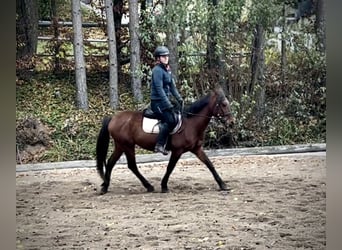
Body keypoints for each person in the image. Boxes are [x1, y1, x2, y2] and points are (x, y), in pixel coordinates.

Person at [150, 45, 183, 155]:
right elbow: (159, 89)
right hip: (157, 102)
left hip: (164, 101)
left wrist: (179, 98)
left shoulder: (167, 70)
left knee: (179, 114)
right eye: (163, 56)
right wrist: (167, 103)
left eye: (167, 56)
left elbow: (172, 87)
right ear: (158, 58)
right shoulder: (157, 71)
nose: (166, 58)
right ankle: (159, 145)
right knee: (170, 120)